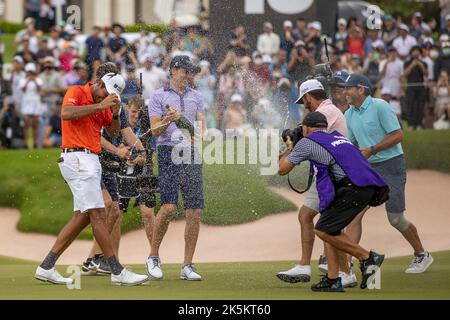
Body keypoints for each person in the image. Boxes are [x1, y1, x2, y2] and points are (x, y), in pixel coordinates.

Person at [34, 72, 148, 286]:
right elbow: (66, 113)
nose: (106, 95)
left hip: (90, 160)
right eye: (105, 90)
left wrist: (114, 114)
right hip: (76, 157)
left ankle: (47, 266)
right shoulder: (77, 91)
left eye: (111, 94)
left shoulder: (105, 104)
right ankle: (117, 271)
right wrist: (100, 105)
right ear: (98, 83)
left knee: (83, 216)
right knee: (97, 213)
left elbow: (113, 132)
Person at [278, 111, 388, 292]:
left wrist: (290, 146)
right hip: (367, 186)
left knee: (323, 229)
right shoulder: (338, 137)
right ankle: (333, 280)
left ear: (306, 128)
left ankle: (367, 257)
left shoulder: (307, 142)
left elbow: (282, 170)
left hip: (353, 189)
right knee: (330, 229)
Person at [341, 73, 433, 274]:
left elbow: (398, 135)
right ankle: (346, 267)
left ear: (361, 90)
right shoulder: (349, 114)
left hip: (392, 165)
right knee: (354, 214)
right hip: (368, 169)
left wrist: (372, 149)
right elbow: (353, 145)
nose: (344, 91)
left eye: (348, 88)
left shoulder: (380, 106)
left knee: (396, 219)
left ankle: (421, 254)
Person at [277, 79, 352, 286]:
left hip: (332, 175)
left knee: (329, 226)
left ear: (309, 97)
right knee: (306, 216)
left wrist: (292, 140)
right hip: (325, 173)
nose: (304, 105)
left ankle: (349, 268)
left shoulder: (326, 112)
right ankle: (305, 266)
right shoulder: (329, 110)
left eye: (304, 101)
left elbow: (307, 136)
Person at [148, 55, 206, 281]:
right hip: (167, 152)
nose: (189, 75)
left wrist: (180, 119)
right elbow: (154, 131)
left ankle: (187, 265)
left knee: (195, 210)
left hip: (191, 153)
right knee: (169, 207)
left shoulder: (197, 97)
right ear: (173, 70)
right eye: (185, 71)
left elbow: (201, 131)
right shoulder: (157, 96)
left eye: (191, 72)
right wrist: (167, 120)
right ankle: (153, 256)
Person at [403, 45, 428, 130]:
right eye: (414, 51)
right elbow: (405, 74)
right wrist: (412, 65)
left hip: (420, 86)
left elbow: (426, 73)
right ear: (411, 53)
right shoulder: (407, 63)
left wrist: (420, 65)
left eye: (417, 51)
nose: (416, 53)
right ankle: (410, 124)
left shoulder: (423, 63)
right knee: (410, 106)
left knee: (420, 106)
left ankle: (419, 124)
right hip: (410, 87)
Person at [20, 63, 43, 148]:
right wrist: (27, 81)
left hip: (36, 102)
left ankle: (35, 143)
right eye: (28, 71)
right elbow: (23, 89)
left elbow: (40, 89)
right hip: (26, 101)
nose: (29, 73)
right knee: (26, 123)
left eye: (31, 71)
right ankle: (25, 143)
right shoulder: (23, 80)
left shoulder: (38, 79)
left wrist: (34, 80)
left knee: (35, 123)